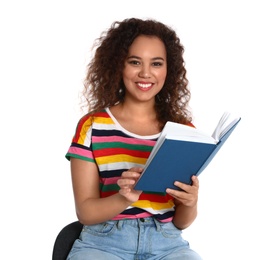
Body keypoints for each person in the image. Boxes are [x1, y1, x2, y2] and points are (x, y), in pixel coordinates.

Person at [65, 17, 202, 260]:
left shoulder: (183, 131)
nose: (146, 73)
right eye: (135, 62)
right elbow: (85, 212)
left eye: (156, 63)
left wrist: (190, 202)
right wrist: (122, 198)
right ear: (119, 65)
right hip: (103, 243)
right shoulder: (93, 126)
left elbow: (181, 221)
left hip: (167, 244)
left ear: (168, 70)